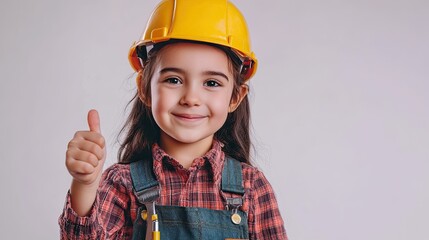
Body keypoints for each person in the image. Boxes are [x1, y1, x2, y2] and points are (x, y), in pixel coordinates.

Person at [58, 0, 287, 239]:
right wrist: (84, 184)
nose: (191, 98)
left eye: (211, 83)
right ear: (144, 88)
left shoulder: (252, 188)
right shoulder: (122, 184)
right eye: (173, 80)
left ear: (235, 97)